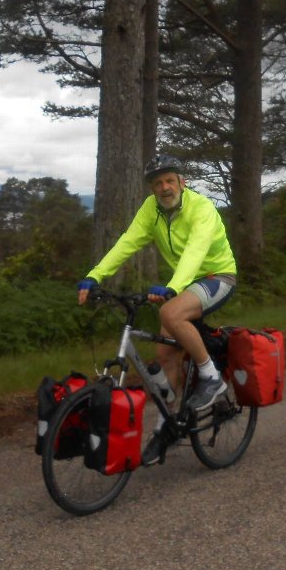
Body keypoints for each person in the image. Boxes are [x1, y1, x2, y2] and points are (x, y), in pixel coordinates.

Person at [77, 154, 238, 465]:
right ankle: (168, 424)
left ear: (182, 182)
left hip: (218, 277)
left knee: (170, 313)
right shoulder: (151, 210)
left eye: (169, 180)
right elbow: (127, 243)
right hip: (186, 283)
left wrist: (173, 289)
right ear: (152, 189)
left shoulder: (200, 208)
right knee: (165, 355)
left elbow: (195, 251)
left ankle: (211, 376)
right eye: (157, 183)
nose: (164, 187)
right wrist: (94, 275)